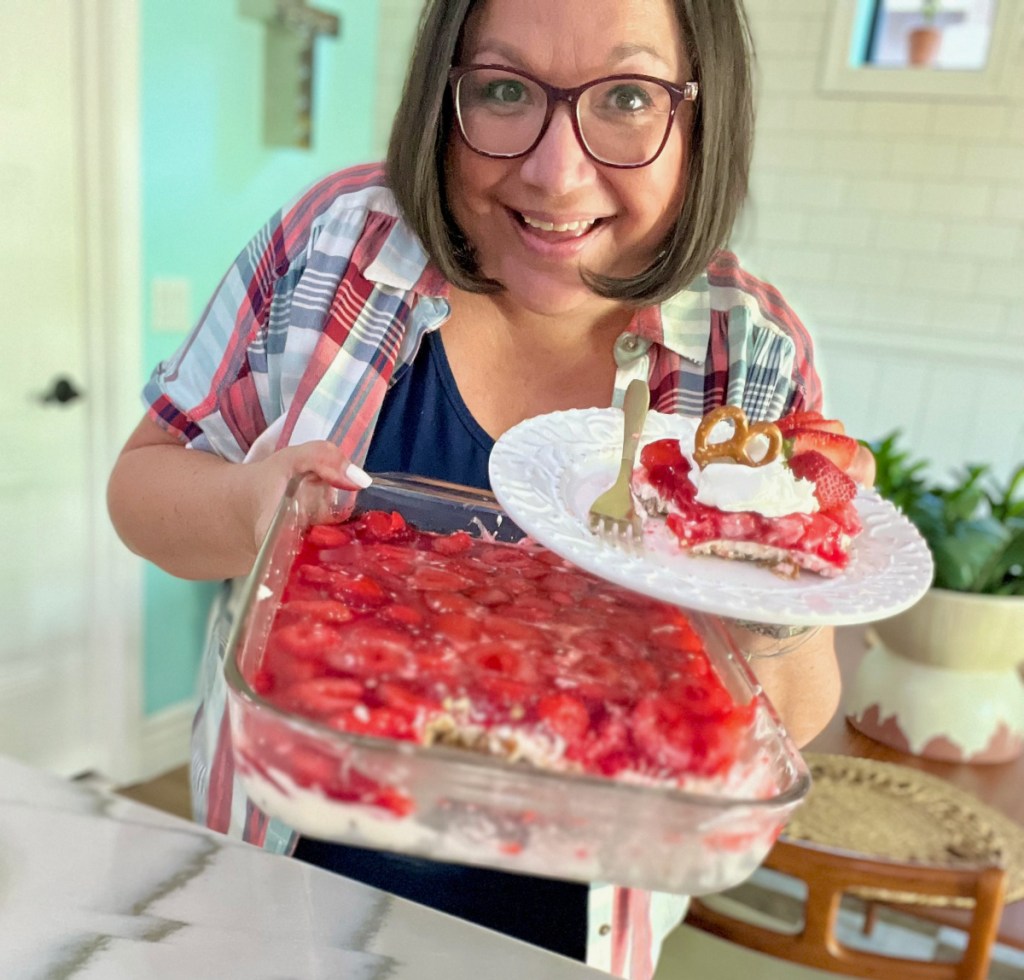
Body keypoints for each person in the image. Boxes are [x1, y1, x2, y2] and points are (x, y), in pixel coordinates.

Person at [108, 0, 843, 975]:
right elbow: (142, 486)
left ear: (702, 114)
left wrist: (758, 598)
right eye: (503, 89)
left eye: (625, 96)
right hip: (281, 897)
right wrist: (254, 512)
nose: (554, 171)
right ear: (440, 94)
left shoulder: (749, 352)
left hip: (569, 940)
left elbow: (791, 711)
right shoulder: (337, 247)